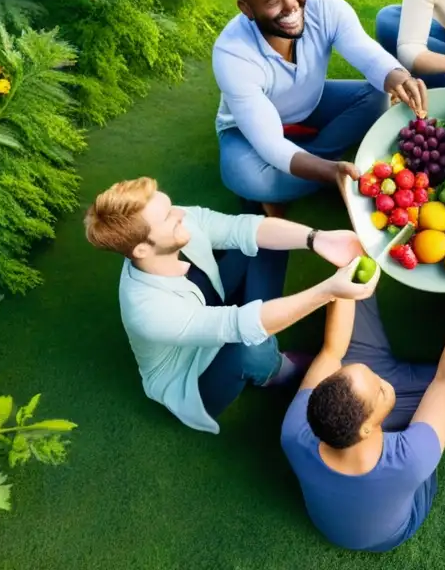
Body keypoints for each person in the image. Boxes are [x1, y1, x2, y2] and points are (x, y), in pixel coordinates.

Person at [83, 176, 374, 434]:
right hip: (195, 375)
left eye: (171, 206)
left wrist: (317, 239)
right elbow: (237, 326)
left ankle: (268, 335)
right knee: (250, 348)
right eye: (169, 217)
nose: (182, 213)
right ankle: (276, 371)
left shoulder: (177, 226)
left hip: (215, 307)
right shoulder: (148, 311)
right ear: (142, 249)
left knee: (267, 242)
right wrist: (328, 291)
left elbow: (241, 229)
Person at [281, 270, 445, 552]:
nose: (382, 380)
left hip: (351, 455)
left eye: (370, 375)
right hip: (391, 534)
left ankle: (357, 283)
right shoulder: (412, 459)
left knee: (354, 293)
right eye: (381, 389)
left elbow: (331, 352)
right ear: (367, 427)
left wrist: (346, 269)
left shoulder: (294, 431)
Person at [214, 0, 429, 216]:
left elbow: (367, 54)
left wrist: (399, 77)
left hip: (311, 102)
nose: (291, 6)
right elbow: (268, 142)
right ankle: (319, 169)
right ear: (247, 8)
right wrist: (329, 171)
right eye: (273, 2)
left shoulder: (325, 7)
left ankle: (304, 168)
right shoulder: (232, 53)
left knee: (378, 96)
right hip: (244, 130)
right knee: (250, 178)